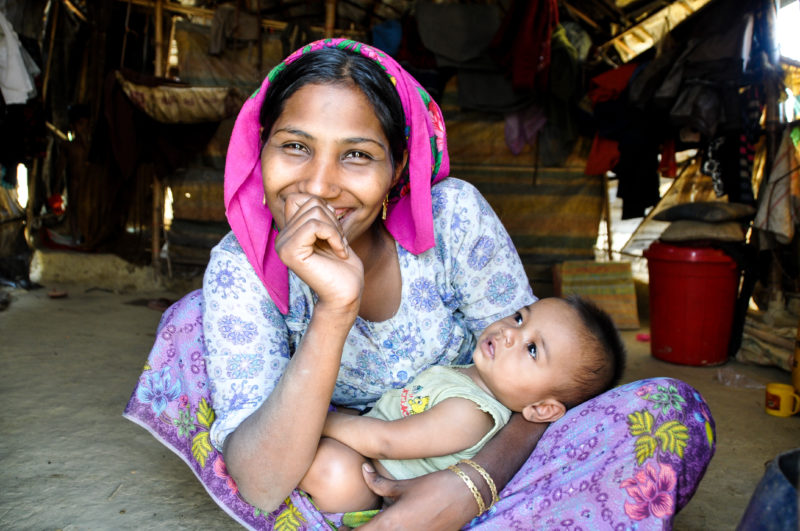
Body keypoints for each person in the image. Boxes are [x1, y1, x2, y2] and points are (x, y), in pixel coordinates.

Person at [124, 38, 716, 531]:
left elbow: (541, 382)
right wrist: (335, 307)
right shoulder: (242, 265)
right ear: (262, 148)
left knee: (670, 410)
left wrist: (469, 486)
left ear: (398, 170)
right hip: (346, 475)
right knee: (189, 326)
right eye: (296, 146)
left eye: (357, 155)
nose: (320, 185)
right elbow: (259, 481)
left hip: (493, 462)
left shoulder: (453, 217)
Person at [299, 296, 626, 514]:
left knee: (329, 465)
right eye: (519, 318)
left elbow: (386, 441)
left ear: (542, 409)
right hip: (364, 453)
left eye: (532, 350)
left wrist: (316, 419)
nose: (509, 333)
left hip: (370, 492)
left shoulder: (471, 413)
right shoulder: (465, 376)